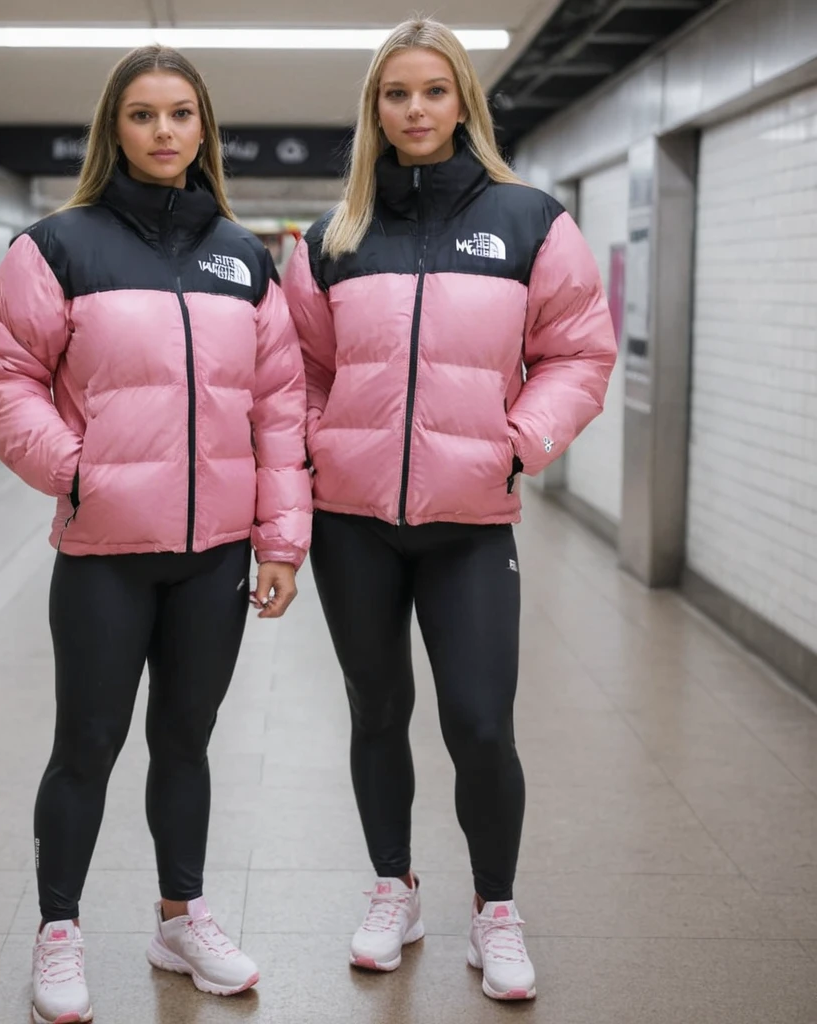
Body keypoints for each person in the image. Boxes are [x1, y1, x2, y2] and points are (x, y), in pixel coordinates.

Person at [0, 45, 311, 1023]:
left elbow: (279, 407)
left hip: (215, 554)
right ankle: (59, 931)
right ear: (112, 129)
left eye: (181, 115)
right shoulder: (58, 246)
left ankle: (179, 917)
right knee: (87, 742)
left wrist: (281, 539)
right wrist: (74, 471)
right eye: (143, 115)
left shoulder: (245, 258)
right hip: (105, 553)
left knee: (186, 742)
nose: (164, 132)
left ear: (204, 130)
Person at [283, 18, 617, 1003]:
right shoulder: (332, 237)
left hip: (470, 523)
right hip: (353, 524)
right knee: (377, 711)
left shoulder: (530, 223)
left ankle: (496, 911)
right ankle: (394, 888)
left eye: (433, 91)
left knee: (478, 722)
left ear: (463, 100)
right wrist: (317, 447)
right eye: (396, 94)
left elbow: (579, 353)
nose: (415, 110)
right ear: (373, 110)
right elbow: (298, 370)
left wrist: (517, 442)